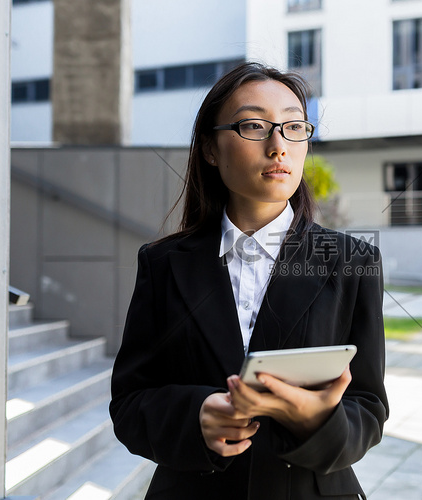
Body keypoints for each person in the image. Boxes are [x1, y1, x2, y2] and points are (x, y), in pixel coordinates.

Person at [109, 62, 388, 500]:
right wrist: (197, 415)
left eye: (294, 126)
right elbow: (130, 404)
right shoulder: (163, 264)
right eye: (254, 126)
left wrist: (318, 420)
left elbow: (369, 409)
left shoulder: (352, 261)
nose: (279, 147)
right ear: (210, 149)